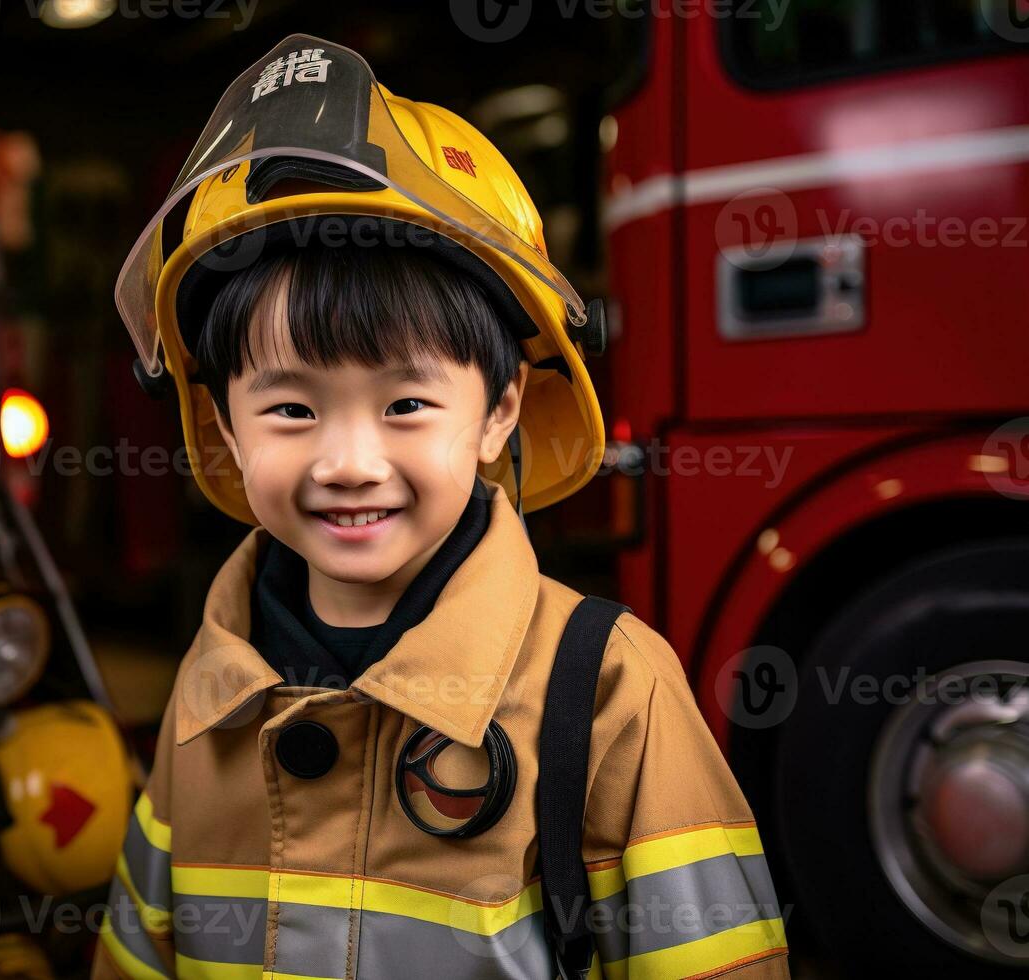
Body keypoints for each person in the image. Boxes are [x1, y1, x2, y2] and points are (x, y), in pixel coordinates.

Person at [95, 34, 791, 980]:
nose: (347, 462)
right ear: (222, 422)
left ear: (499, 410)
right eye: (291, 409)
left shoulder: (612, 692)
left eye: (405, 406)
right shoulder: (208, 699)